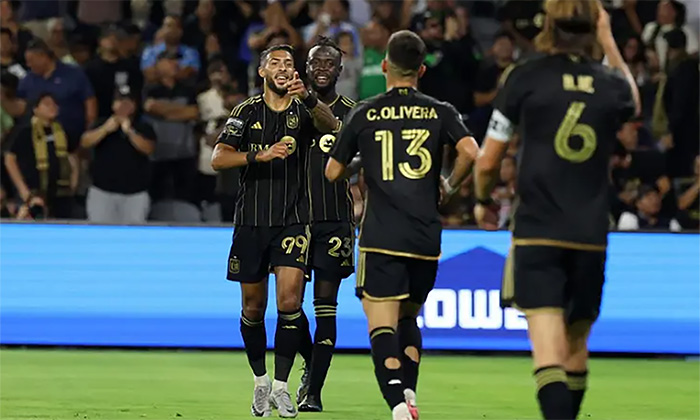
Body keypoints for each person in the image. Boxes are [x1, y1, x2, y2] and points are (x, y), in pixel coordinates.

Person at [473, 1, 640, 419]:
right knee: (577, 343)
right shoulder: (609, 83)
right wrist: (608, 39)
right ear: (593, 26)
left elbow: (489, 159)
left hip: (537, 232)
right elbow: (633, 101)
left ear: (548, 24)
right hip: (590, 235)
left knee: (547, 349)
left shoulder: (524, 76)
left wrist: (481, 199)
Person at [325, 30, 478, 420]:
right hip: (426, 236)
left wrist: (361, 166)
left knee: (381, 324)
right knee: (409, 317)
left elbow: (332, 171)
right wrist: (449, 183)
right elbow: (470, 151)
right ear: (422, 69)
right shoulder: (440, 110)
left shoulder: (365, 112)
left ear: (386, 66)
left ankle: (397, 406)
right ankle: (409, 392)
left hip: (380, 236)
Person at [210, 44, 338, 418]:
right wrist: (258, 155)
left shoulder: (305, 108)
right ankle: (261, 381)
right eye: (276, 63)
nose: (283, 68)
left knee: (289, 303)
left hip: (293, 221)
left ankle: (282, 387)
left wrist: (311, 97)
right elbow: (219, 158)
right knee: (253, 307)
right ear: (263, 72)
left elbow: (332, 126)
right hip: (251, 221)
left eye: (289, 64)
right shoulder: (246, 112)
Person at [294, 36, 357, 413]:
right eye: (315, 62)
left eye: (328, 63)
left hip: (334, 221)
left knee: (326, 307)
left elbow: (354, 163)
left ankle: (315, 391)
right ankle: (310, 363)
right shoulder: (288, 110)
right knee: (290, 305)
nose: (321, 68)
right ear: (306, 67)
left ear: (339, 70)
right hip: (293, 220)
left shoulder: (352, 112)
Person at [81, 86, 156, 224]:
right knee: (99, 233)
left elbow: (149, 149)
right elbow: (85, 142)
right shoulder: (101, 123)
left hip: (135, 194)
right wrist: (105, 129)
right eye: (120, 101)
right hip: (102, 192)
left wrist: (129, 132)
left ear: (134, 104)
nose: (123, 105)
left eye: (128, 102)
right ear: (113, 104)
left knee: (133, 236)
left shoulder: (143, 127)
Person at [4, 93, 79, 219]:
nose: (52, 107)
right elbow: (9, 159)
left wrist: (74, 181)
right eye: (47, 104)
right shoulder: (24, 132)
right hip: (33, 193)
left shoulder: (61, 131)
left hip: (60, 194)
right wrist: (24, 192)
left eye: (55, 104)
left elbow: (71, 154)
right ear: (35, 109)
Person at [143, 50, 199, 204]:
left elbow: (194, 112)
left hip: (183, 153)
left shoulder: (188, 88)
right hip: (158, 153)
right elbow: (150, 107)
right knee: (157, 198)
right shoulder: (149, 89)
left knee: (185, 198)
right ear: (158, 64)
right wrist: (180, 111)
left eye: (176, 61)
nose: (175, 64)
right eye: (170, 61)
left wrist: (165, 113)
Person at [141, 15, 201, 84]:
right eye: (165, 26)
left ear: (180, 31)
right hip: (155, 91)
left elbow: (187, 72)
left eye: (171, 26)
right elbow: (149, 74)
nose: (168, 30)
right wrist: (175, 67)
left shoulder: (191, 52)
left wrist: (161, 68)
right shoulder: (150, 51)